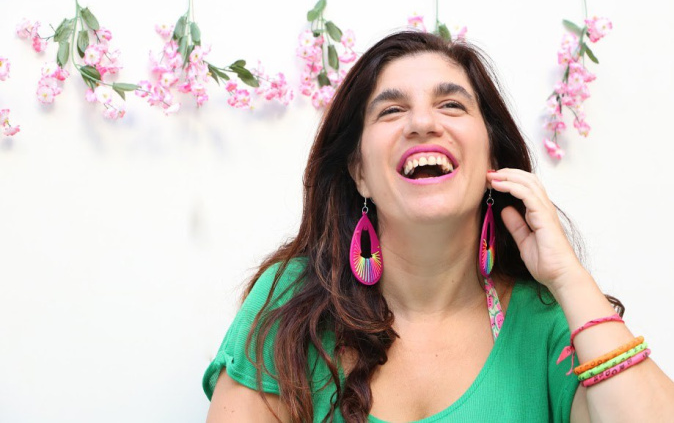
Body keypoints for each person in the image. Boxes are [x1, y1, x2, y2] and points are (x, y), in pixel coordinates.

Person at [203, 31, 674, 422]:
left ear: (492, 157)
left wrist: (569, 277)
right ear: (360, 173)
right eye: (391, 111)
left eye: (452, 105)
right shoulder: (293, 303)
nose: (423, 122)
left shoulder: (551, 323)